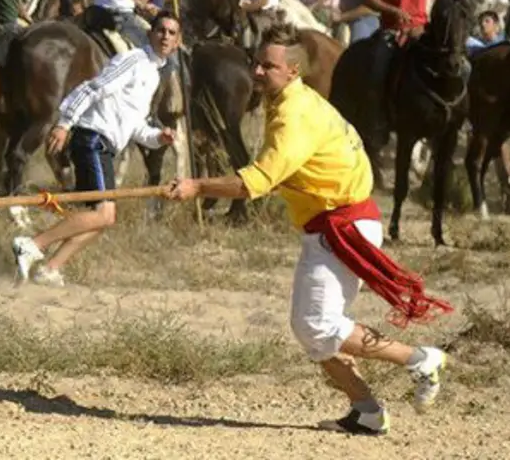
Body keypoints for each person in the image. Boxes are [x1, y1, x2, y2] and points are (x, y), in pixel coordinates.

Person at [166, 22, 450, 436]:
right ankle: (367, 411)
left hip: (343, 227)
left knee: (316, 325)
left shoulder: (294, 117)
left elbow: (254, 184)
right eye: (257, 64)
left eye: (268, 66)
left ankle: (420, 358)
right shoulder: (288, 101)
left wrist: (196, 186)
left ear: (293, 71)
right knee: (314, 330)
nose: (258, 72)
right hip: (333, 225)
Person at [11, 13, 182, 286]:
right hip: (93, 139)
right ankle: (31, 245)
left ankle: (50, 268)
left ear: (177, 41)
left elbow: (135, 126)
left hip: (106, 145)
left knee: (103, 219)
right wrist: (64, 123)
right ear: (150, 34)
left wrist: (157, 137)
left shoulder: (153, 75)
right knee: (103, 213)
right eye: (161, 30)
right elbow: (93, 88)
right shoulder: (134, 61)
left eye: (172, 33)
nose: (165, 36)